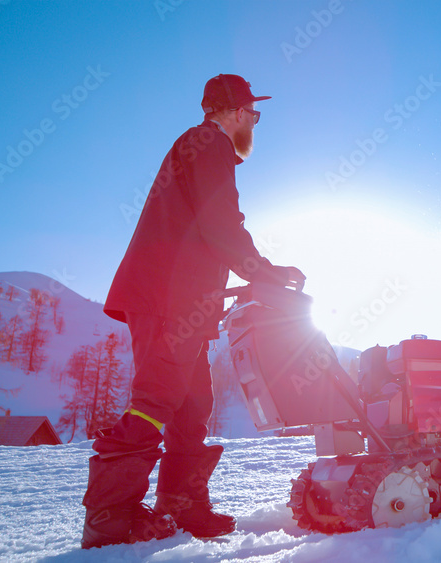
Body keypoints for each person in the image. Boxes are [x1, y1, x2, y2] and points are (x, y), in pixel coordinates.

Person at [81, 74, 304, 549]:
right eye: (255, 115)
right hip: (167, 296)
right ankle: (109, 518)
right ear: (239, 112)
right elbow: (220, 221)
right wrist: (263, 273)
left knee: (191, 406)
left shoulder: (198, 145)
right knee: (157, 400)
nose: (254, 125)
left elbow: (207, 226)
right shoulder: (210, 143)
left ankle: (183, 508)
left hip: (180, 301)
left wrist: (256, 275)